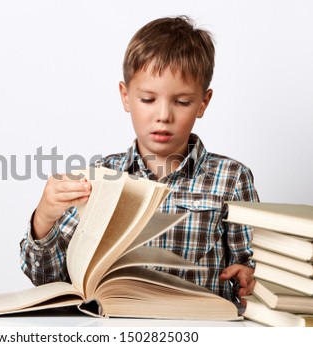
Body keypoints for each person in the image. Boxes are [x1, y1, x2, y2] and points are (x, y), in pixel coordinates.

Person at [19, 16, 259, 302]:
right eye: (147, 100)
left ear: (203, 103)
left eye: (182, 102)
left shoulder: (232, 178)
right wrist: (44, 218)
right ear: (125, 96)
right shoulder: (101, 178)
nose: (163, 115)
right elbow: (46, 279)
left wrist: (250, 277)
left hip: (199, 332)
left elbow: (256, 266)